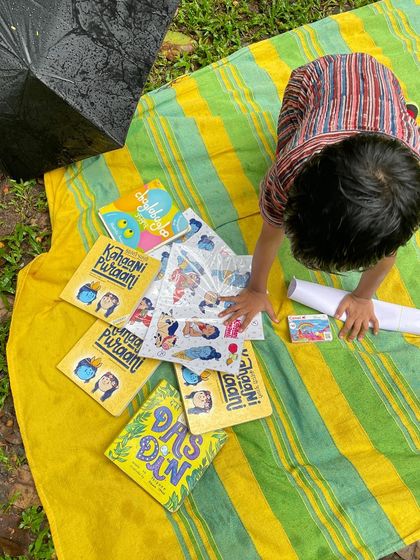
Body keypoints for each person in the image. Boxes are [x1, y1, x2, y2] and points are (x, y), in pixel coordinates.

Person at [219, 53, 420, 341]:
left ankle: (404, 115)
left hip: (385, 91)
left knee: (399, 130)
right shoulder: (289, 171)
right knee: (288, 140)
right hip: (318, 81)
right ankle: (401, 115)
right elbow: (270, 232)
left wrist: (363, 298)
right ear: (299, 200)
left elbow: (388, 254)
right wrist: (255, 289)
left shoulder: (404, 198)